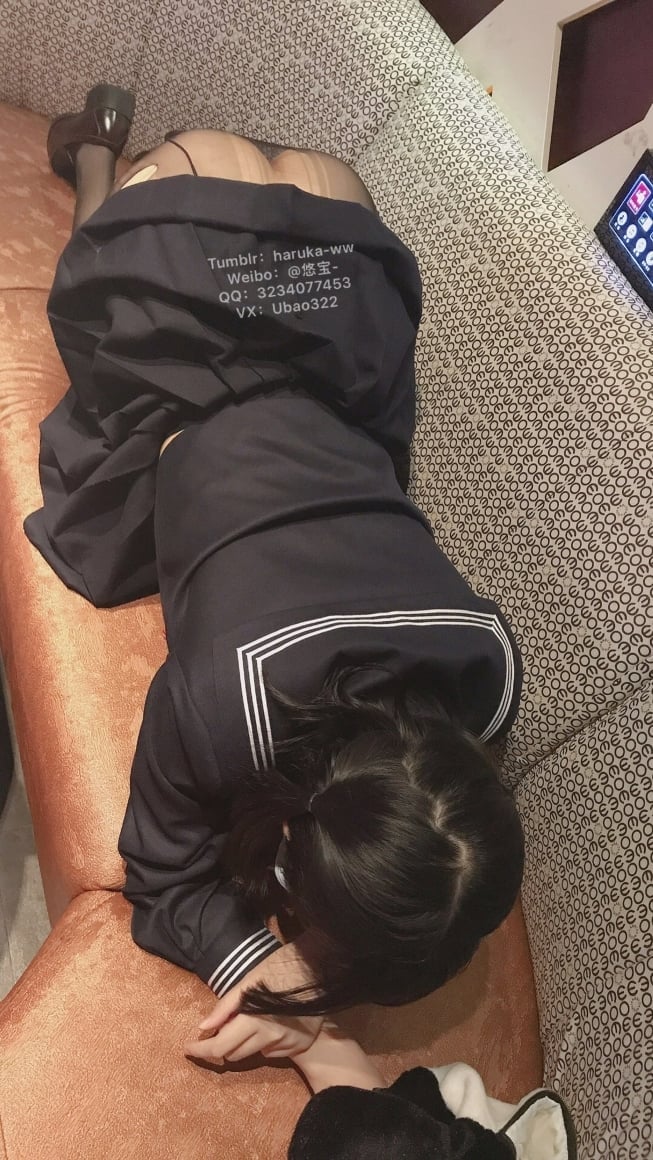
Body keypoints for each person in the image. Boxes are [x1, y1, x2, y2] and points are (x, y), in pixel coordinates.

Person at [24, 85, 525, 1073]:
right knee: (84, 314)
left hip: (344, 283)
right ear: (291, 839)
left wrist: (310, 1002)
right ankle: (92, 154)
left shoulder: (492, 668)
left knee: (211, 233)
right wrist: (296, 1000)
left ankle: (122, 156)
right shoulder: (230, 704)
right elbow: (162, 869)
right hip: (192, 281)